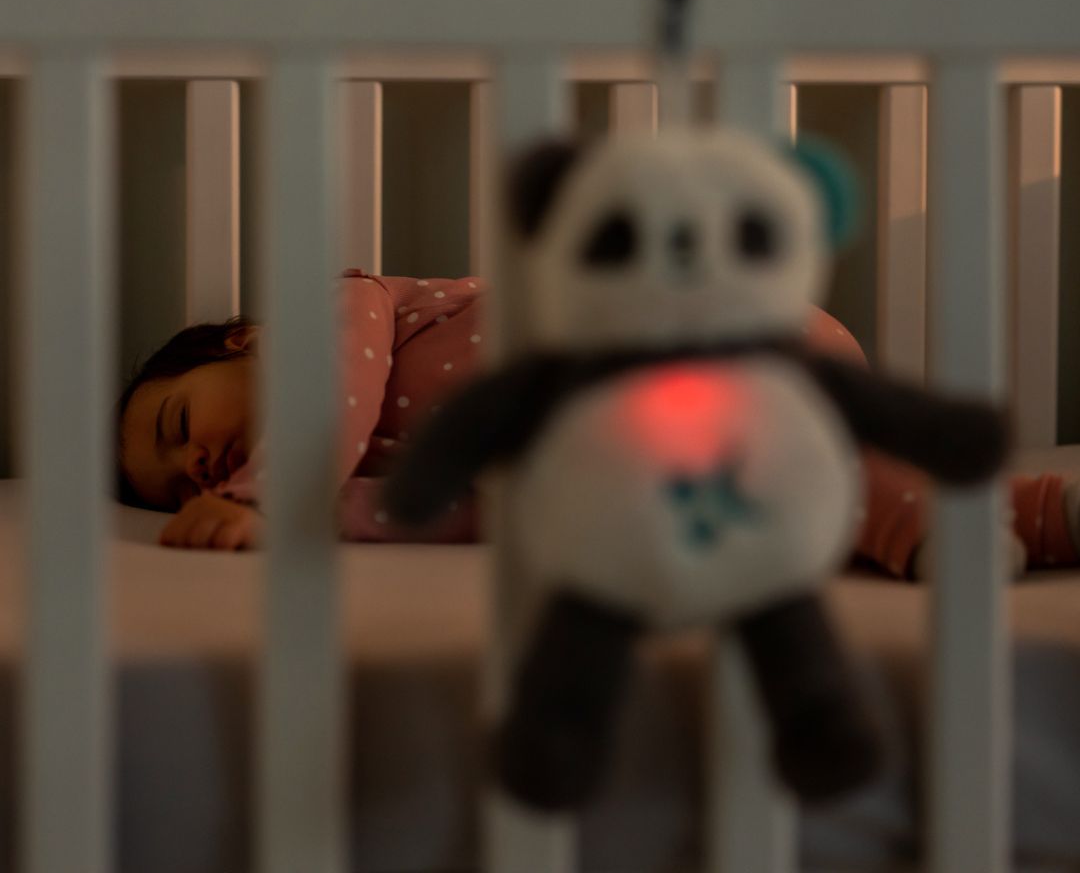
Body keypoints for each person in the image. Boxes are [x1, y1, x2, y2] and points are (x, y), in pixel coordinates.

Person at [116, 270, 1080, 577]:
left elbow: (335, 390)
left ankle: (920, 526)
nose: (194, 463)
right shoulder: (350, 474)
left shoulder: (344, 307)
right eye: (176, 484)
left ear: (245, 340)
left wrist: (269, 496)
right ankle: (1035, 515)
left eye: (176, 423)